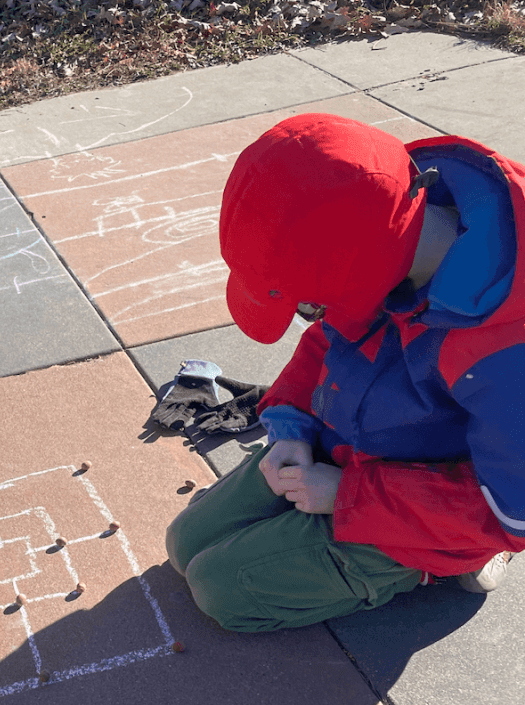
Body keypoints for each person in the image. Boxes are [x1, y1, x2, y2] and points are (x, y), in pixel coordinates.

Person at [165, 112, 525, 632]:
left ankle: (439, 570)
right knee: (185, 546)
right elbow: (330, 336)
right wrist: (291, 424)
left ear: (360, 274)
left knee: (219, 590)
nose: (313, 315)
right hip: (349, 448)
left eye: (309, 304)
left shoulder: (505, 356)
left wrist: (348, 495)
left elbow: (508, 511)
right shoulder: (386, 228)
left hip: (430, 512)